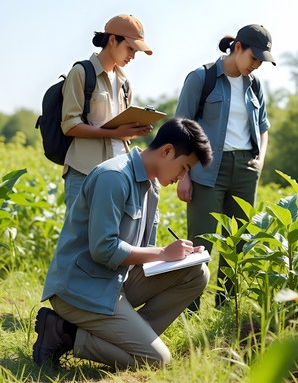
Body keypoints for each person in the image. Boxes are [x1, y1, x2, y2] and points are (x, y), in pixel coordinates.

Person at [32, 118, 213, 370]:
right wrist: (163, 252)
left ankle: (128, 336)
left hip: (116, 281)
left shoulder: (152, 186)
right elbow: (103, 249)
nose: (182, 176)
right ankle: (65, 332)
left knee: (196, 272)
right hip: (81, 289)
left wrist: (180, 256)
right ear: (167, 150)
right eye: (183, 167)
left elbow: (143, 254)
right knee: (157, 361)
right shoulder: (114, 177)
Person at [175, 24, 276, 309]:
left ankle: (225, 309)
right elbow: (181, 127)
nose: (256, 66)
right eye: (254, 58)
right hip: (206, 170)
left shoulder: (254, 84)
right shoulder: (201, 78)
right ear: (238, 48)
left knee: (238, 243)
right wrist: (183, 175)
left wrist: (261, 159)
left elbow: (264, 127)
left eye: (261, 62)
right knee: (200, 244)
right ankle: (189, 310)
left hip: (245, 170)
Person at [62, 14, 153, 211]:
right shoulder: (81, 73)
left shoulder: (125, 83)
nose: (132, 56)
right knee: (79, 239)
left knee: (111, 238)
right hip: (84, 171)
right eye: (130, 48)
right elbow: (69, 125)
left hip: (118, 172)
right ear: (112, 40)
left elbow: (119, 129)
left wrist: (133, 130)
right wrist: (113, 133)